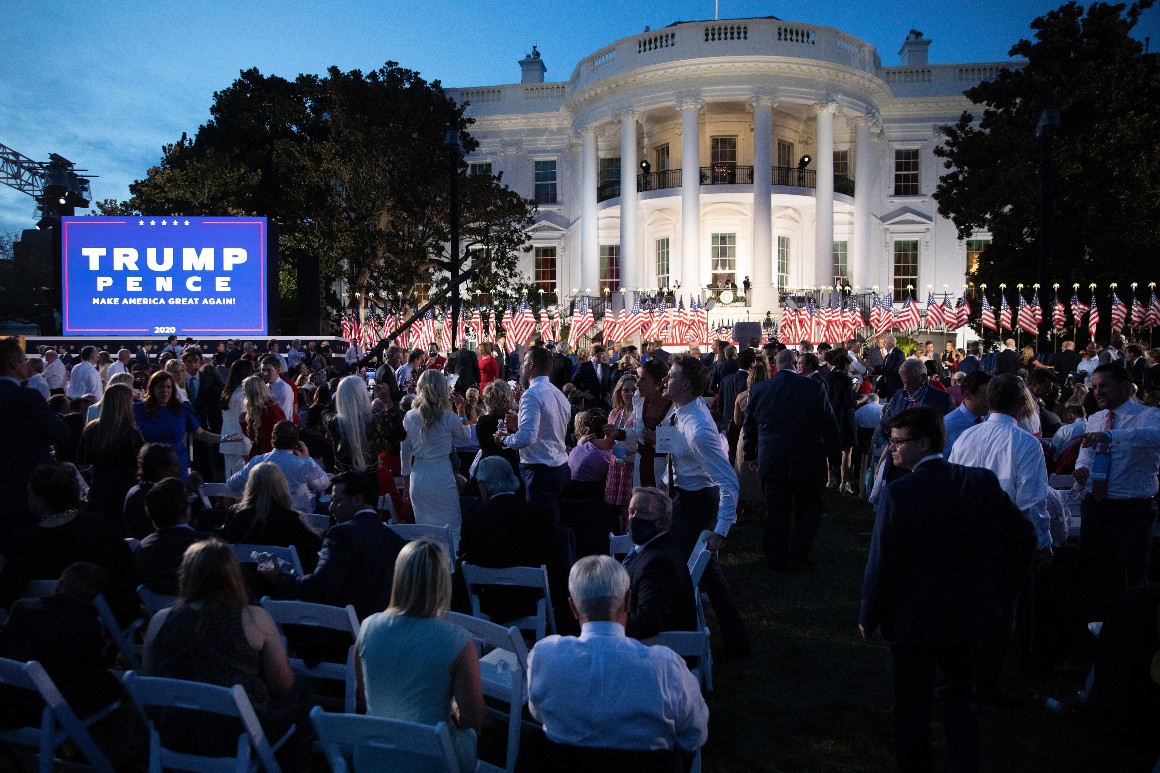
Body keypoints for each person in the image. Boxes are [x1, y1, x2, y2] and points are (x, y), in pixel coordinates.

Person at [859, 408, 1036, 773]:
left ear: (923, 443)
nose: (890, 448)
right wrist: (997, 587)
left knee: (912, 704)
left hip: (914, 619)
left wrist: (868, 613)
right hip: (965, 613)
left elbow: (883, 562)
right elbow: (1023, 538)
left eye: (897, 442)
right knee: (960, 698)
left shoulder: (900, 493)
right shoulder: (980, 483)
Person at [142, 539, 309, 763]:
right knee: (300, 682)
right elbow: (283, 685)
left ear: (187, 574)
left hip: (175, 731)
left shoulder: (159, 621)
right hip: (236, 735)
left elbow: (151, 681)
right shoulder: (254, 619)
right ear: (233, 574)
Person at [527, 554, 708, 757]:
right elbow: (694, 736)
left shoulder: (544, 657)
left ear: (573, 608)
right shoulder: (666, 668)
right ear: (628, 601)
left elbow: (538, 714)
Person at [357, 539, 485, 773]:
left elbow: (366, 697)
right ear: (442, 583)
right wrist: (454, 709)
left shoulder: (366, 627)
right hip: (431, 760)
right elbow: (473, 717)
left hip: (372, 756)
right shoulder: (457, 639)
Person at [660, 354, 750, 658]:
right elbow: (669, 446)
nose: (665, 380)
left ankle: (682, 641)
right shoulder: (679, 409)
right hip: (683, 499)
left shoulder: (698, 428)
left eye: (670, 376)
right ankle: (733, 641)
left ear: (685, 384)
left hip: (698, 504)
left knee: (683, 570)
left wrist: (720, 530)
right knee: (705, 574)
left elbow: (728, 482)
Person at [0, 463, 136, 625]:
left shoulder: (25, 542)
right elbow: (130, 567)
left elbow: (7, 594)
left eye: (29, 494)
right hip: (112, 620)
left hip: (51, 625)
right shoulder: (98, 525)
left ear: (41, 501)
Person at [262, 471, 407, 620]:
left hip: (340, 631)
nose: (331, 508)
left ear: (357, 499)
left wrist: (280, 577)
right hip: (381, 628)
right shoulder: (397, 541)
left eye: (336, 500)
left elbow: (319, 587)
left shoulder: (342, 534)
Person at [744, 348, 840, 569]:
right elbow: (829, 425)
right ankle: (800, 550)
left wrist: (750, 454)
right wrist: (834, 457)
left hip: (772, 458)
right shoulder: (814, 388)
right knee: (808, 508)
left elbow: (750, 425)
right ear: (796, 363)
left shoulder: (759, 389)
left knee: (775, 510)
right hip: (807, 459)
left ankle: (776, 556)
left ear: (775, 365)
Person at [0, 562, 124, 729]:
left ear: (60, 584)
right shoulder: (88, 625)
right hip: (47, 711)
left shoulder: (23, 607)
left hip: (8, 701)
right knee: (119, 687)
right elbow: (92, 669)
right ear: (93, 598)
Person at [1074, 363, 1160, 586]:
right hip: (1095, 506)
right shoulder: (1095, 418)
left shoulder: (1149, 415)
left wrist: (1112, 436)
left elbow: (1154, 436)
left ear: (1124, 386)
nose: (1098, 392)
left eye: (1104, 386)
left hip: (1132, 511)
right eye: (1094, 387)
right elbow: (1086, 451)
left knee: (1132, 579)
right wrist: (1081, 467)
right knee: (1094, 578)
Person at [459, 456, 561, 628]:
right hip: (532, 600)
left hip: (490, 604)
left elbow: (467, 562)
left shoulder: (473, 522)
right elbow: (552, 559)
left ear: (484, 485)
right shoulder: (541, 515)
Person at [500, 345, 571, 522]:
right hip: (560, 467)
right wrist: (519, 425)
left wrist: (504, 439)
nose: (522, 366)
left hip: (540, 471)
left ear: (531, 365)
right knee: (552, 523)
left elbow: (527, 438)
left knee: (539, 527)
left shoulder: (532, 394)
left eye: (524, 362)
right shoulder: (559, 394)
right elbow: (549, 430)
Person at [401, 369, 469, 544]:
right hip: (441, 475)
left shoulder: (409, 416)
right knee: (451, 529)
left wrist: (406, 484)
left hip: (419, 476)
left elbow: (405, 453)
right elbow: (466, 436)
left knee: (425, 532)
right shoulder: (448, 417)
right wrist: (462, 411)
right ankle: (449, 568)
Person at [621, 487, 698, 639]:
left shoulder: (658, 562)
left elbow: (649, 621)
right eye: (632, 511)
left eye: (644, 512)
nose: (635, 518)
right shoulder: (655, 547)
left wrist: (606, 625)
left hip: (659, 652)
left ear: (662, 521)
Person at [224, 461, 323, 573]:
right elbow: (316, 547)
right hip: (282, 584)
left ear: (250, 485)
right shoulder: (288, 519)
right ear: (281, 486)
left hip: (245, 582)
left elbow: (225, 544)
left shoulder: (236, 515)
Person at [76, 383, 144, 533]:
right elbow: (138, 468)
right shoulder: (131, 435)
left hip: (99, 489)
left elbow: (81, 463)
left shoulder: (91, 429)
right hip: (125, 492)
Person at [134, 370, 228, 479]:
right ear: (152, 388)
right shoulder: (139, 409)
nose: (165, 390)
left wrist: (223, 439)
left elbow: (199, 433)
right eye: (160, 386)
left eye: (169, 387)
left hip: (176, 468)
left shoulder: (182, 409)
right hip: (150, 467)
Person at [135, 477, 214, 595]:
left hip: (158, 611)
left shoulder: (143, 549)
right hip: (203, 611)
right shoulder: (209, 545)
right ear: (187, 509)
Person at [227, 421, 330, 513]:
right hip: (299, 519)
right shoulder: (304, 463)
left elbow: (232, 484)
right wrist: (308, 459)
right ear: (296, 441)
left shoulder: (257, 461)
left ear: (273, 438)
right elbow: (323, 484)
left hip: (264, 518)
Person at [733, 357, 769, 509]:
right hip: (764, 432)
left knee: (745, 467)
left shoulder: (742, 396)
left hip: (747, 434)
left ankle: (746, 499)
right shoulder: (769, 394)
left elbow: (737, 421)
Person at [826, 352, 859, 494]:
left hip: (831, 417)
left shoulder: (829, 377)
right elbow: (849, 402)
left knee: (830, 450)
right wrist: (861, 399)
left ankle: (831, 479)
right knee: (846, 450)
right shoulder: (846, 380)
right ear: (846, 365)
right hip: (845, 418)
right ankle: (844, 482)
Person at [942, 370, 992, 458]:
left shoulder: (989, 417)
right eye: (985, 398)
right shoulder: (949, 426)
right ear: (968, 395)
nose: (990, 403)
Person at [718, 347, 756, 460]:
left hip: (727, 421)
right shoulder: (750, 382)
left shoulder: (726, 380)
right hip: (743, 424)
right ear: (752, 362)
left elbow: (720, 403)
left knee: (729, 455)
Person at [240, 374, 286, 459]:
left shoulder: (270, 411)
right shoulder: (258, 409)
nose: (244, 394)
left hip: (272, 456)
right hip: (264, 454)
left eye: (245, 391)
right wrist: (243, 423)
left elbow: (277, 438)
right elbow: (254, 436)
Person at [571, 344, 613, 410]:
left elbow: (609, 382)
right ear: (595, 354)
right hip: (589, 403)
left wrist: (608, 393)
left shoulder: (606, 367)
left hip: (604, 403)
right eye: (602, 354)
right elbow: (574, 382)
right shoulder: (584, 366)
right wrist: (582, 393)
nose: (604, 356)